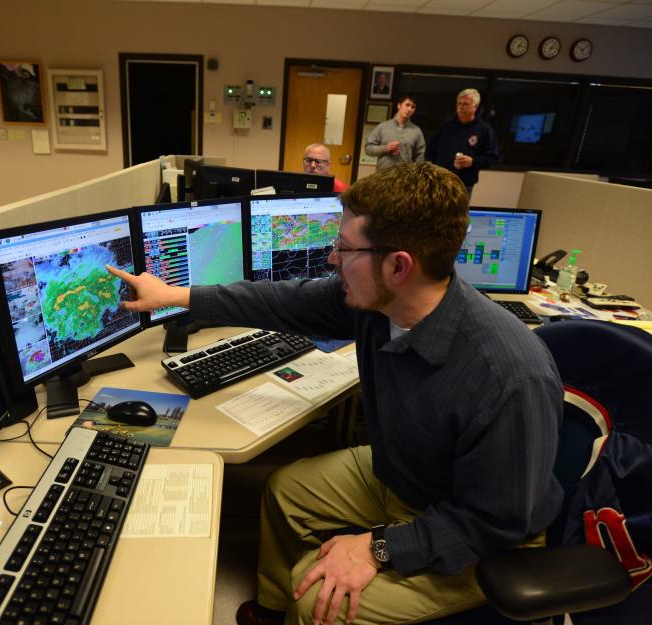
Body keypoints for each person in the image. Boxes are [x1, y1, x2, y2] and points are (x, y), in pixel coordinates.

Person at [106, 162, 563, 625]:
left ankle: (300, 612)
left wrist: (380, 546)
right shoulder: (379, 303)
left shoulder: (508, 376)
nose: (331, 258)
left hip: (475, 533)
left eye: (345, 247)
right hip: (403, 475)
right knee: (285, 493)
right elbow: (281, 300)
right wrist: (176, 296)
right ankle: (273, 610)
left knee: (320, 601)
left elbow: (496, 522)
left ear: (399, 265)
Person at [425, 88, 499, 197]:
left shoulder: (484, 129)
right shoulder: (446, 127)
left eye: (465, 104)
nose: (461, 107)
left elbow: (492, 157)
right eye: (458, 103)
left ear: (475, 106)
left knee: (458, 214)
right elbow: (430, 152)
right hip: (440, 181)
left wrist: (472, 162)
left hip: (464, 184)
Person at [364, 94, 426, 172]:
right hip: (382, 177)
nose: (410, 109)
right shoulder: (383, 127)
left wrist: (414, 174)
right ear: (399, 105)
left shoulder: (416, 131)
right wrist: (386, 148)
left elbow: (420, 158)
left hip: (404, 178)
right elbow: (368, 149)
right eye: (407, 105)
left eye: (413, 107)